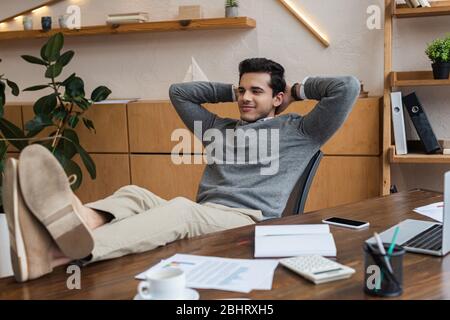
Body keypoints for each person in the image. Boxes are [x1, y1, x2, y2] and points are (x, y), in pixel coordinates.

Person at [3, 58, 360, 282]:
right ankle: (76, 219)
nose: (245, 98)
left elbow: (346, 87)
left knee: (180, 211)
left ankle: (53, 254)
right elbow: (180, 93)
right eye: (241, 90)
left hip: (247, 221)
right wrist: (231, 89)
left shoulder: (299, 132)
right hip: (207, 213)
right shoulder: (220, 129)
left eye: (256, 91)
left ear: (277, 98)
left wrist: (295, 89)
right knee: (135, 194)